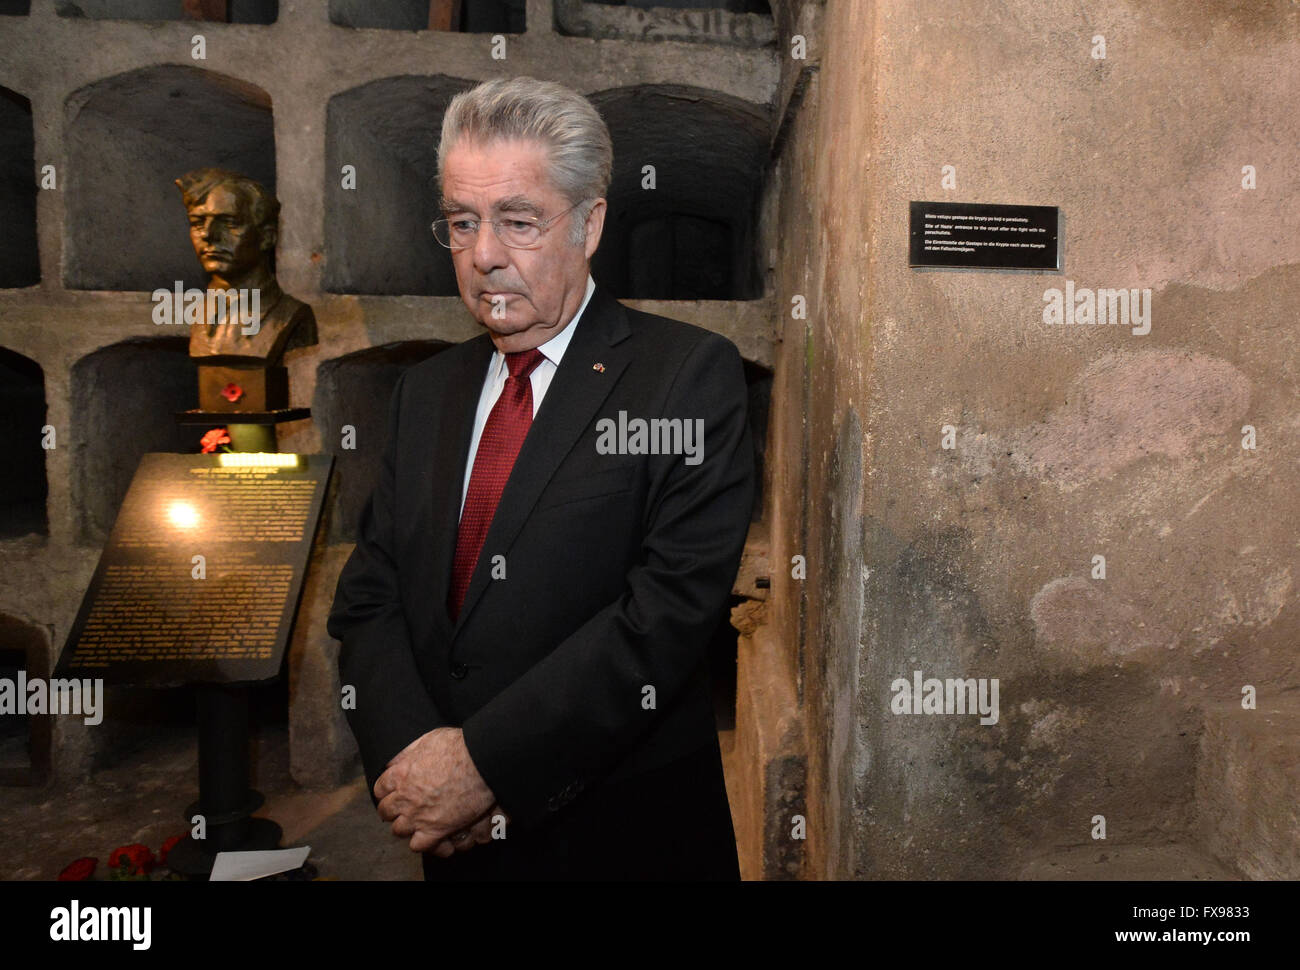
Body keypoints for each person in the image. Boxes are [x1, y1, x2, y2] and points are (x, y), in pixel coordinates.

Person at [326, 76, 754, 880]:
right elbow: (372, 592)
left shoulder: (685, 376)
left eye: (518, 221)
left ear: (589, 223)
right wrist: (413, 759)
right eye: (462, 222)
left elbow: (667, 613)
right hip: (450, 839)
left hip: (623, 834)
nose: (484, 253)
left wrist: (481, 765)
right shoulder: (426, 392)